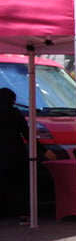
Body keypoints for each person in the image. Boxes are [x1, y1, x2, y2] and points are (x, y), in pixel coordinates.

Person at [0, 87, 30, 222]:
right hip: (16, 153)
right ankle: (23, 214)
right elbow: (27, 133)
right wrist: (44, 151)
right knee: (20, 185)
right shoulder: (15, 114)